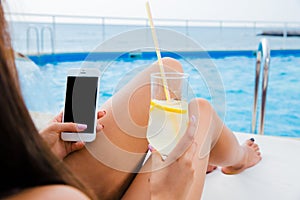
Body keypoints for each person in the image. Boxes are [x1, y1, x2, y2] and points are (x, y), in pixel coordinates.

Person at [0, 3, 261, 199]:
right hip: (53, 189)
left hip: (28, 176)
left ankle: (213, 159)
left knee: (167, 73)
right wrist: (168, 194)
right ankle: (239, 159)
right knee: (200, 115)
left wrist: (39, 152)